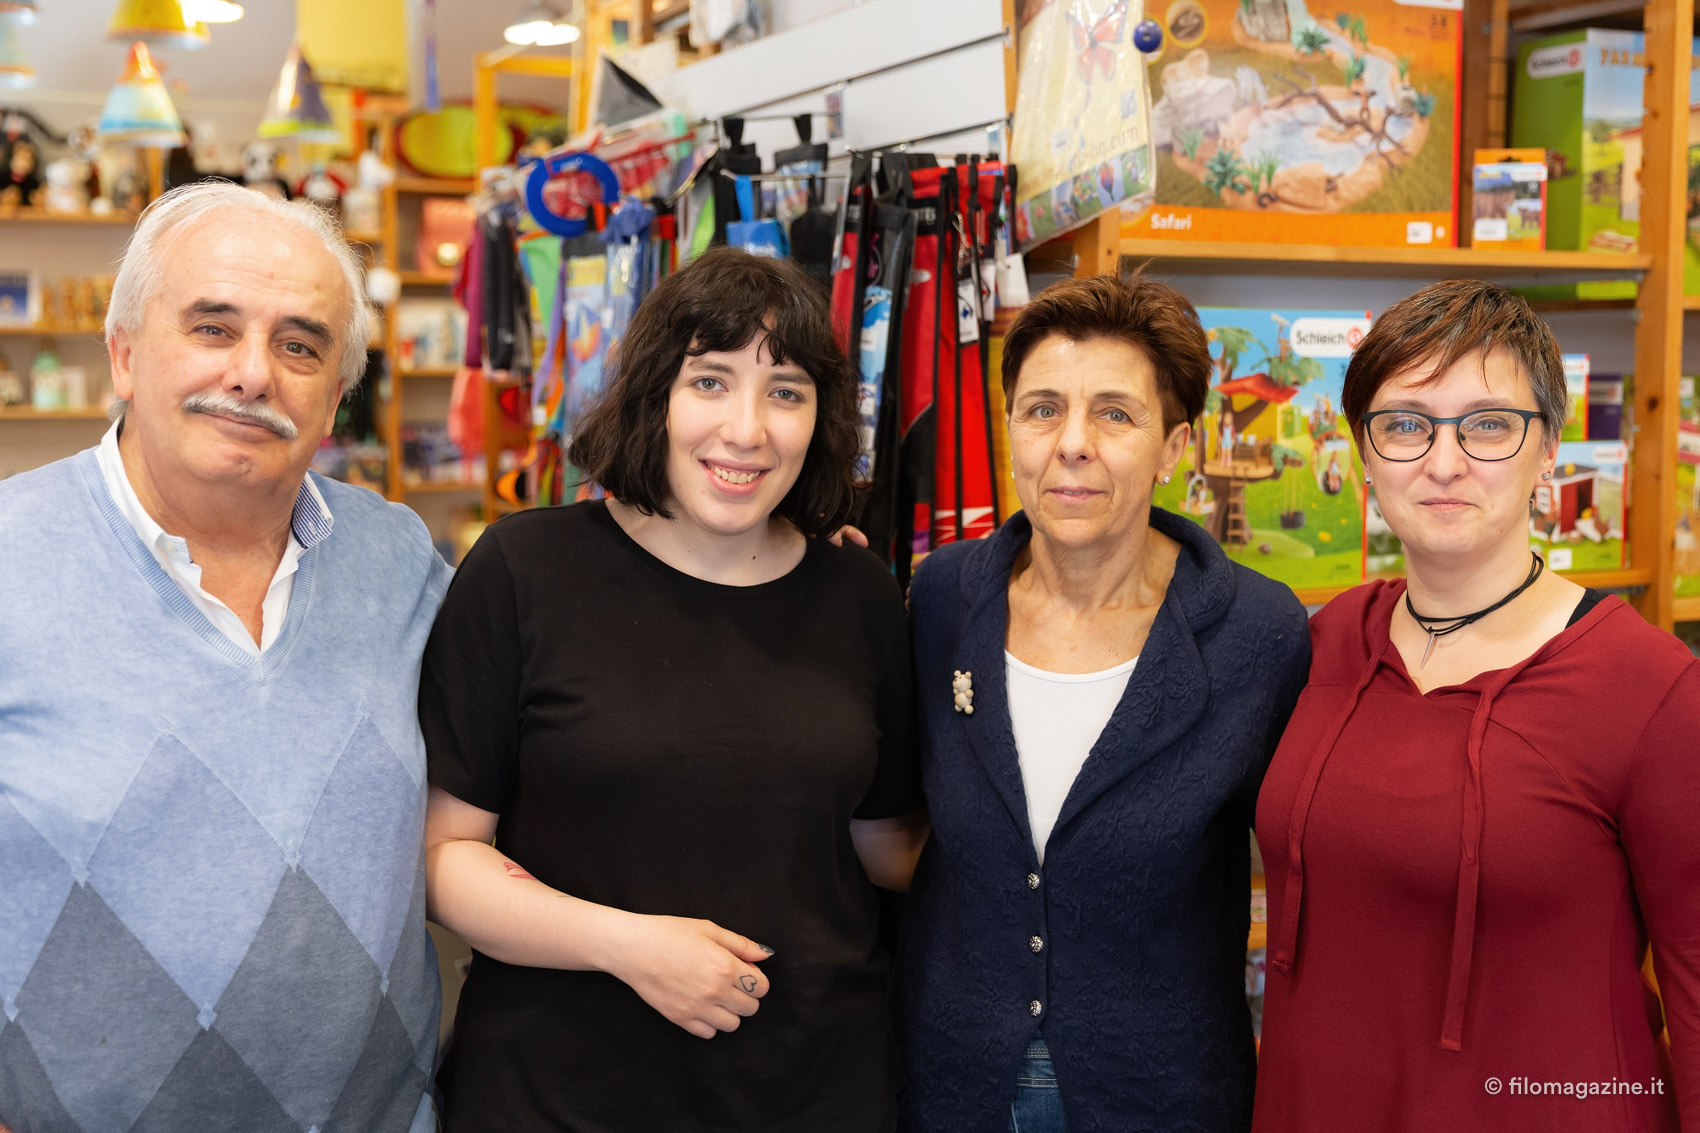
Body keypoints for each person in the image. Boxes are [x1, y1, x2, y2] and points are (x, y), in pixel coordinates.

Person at [421, 246, 928, 1132]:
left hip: (813, 1089)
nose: (747, 429)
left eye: (786, 392)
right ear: (654, 392)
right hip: (561, 1094)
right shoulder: (525, 570)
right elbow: (445, 859)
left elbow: (888, 845)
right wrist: (629, 945)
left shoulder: (862, 596)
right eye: (710, 381)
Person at [0, 183, 448, 1131]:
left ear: (336, 397)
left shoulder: (400, 559)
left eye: (300, 346)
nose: (253, 374)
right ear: (124, 354)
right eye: (213, 327)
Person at [1253, 280, 1700, 1132]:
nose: (1444, 461)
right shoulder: (1326, 642)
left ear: (1549, 450)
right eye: (1405, 423)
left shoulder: (1651, 688)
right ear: (1364, 450)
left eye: (1488, 424)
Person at [898, 274, 1311, 1132]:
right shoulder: (942, 600)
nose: (1073, 444)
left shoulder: (1257, 633)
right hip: (954, 1080)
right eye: (1043, 409)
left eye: (1115, 414)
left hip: (1161, 1093)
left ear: (1174, 446)